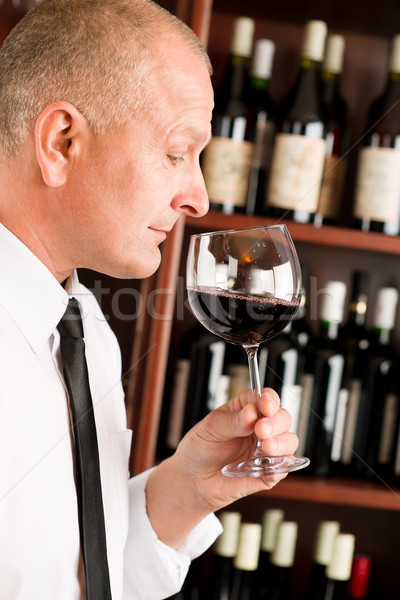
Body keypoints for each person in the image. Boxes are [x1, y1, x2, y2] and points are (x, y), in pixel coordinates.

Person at [0, 0, 298, 598]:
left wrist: (188, 488)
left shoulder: (88, 336)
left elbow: (78, 575)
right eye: (174, 152)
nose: (200, 198)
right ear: (61, 142)